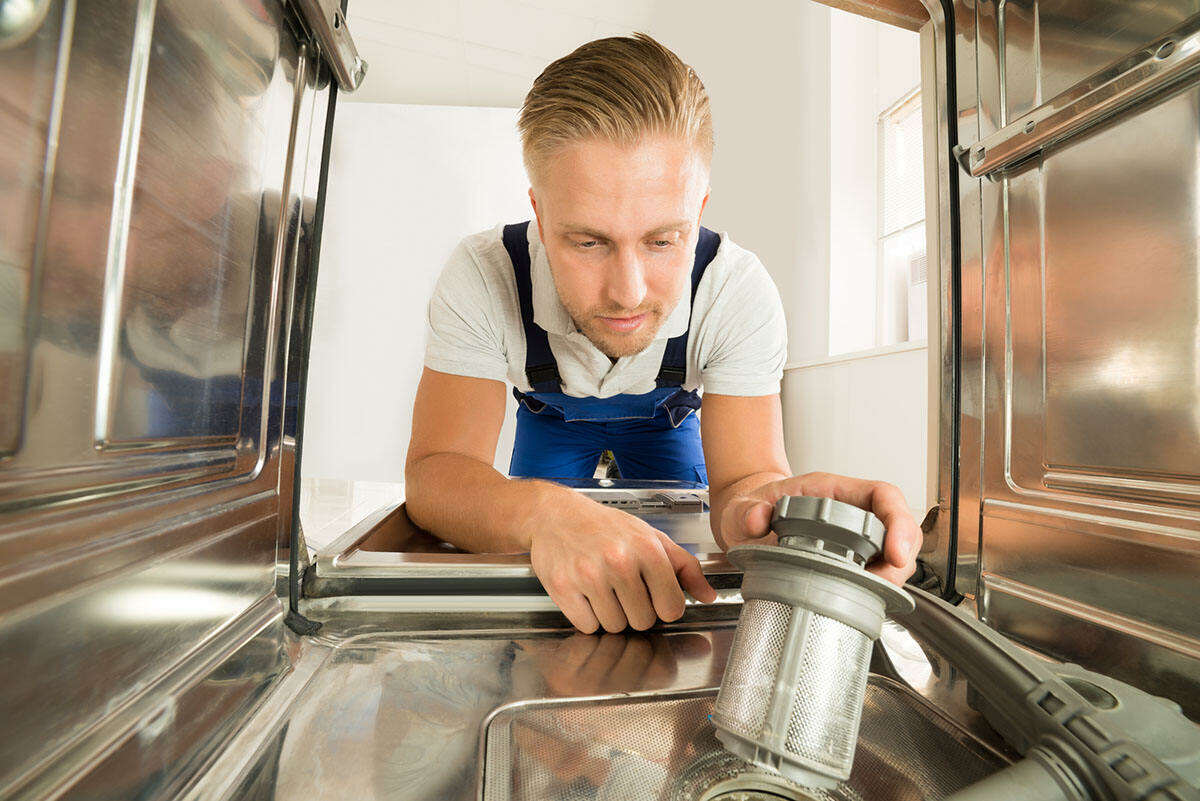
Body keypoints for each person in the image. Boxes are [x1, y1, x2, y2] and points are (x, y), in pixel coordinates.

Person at [405, 33, 921, 634]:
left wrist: (772, 509)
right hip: (549, 419)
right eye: (588, 241)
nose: (628, 292)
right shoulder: (480, 274)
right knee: (535, 549)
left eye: (662, 240)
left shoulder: (737, 290)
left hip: (666, 420)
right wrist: (543, 513)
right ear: (540, 218)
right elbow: (439, 472)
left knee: (680, 560)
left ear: (698, 211)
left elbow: (739, 486)